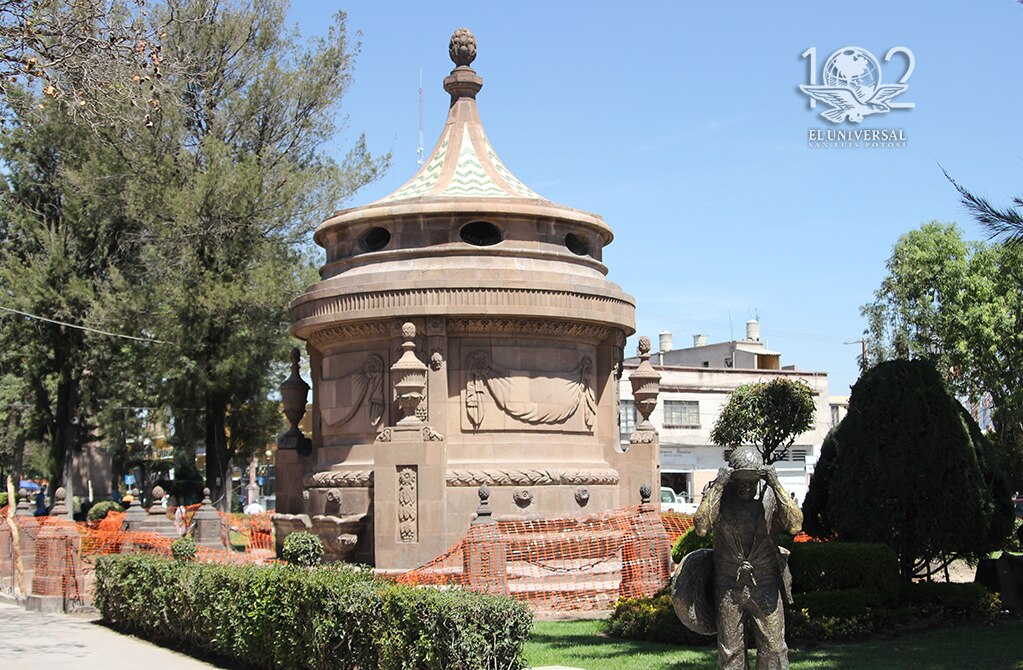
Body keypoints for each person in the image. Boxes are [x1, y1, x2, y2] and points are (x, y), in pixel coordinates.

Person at [694, 446, 802, 670]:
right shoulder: (719, 495)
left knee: (774, 648)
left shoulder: (771, 496)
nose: (747, 487)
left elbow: (795, 525)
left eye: (752, 481)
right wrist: (719, 486)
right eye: (741, 481)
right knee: (730, 651)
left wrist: (776, 484)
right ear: (732, 478)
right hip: (728, 585)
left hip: (765, 583)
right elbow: (701, 527)